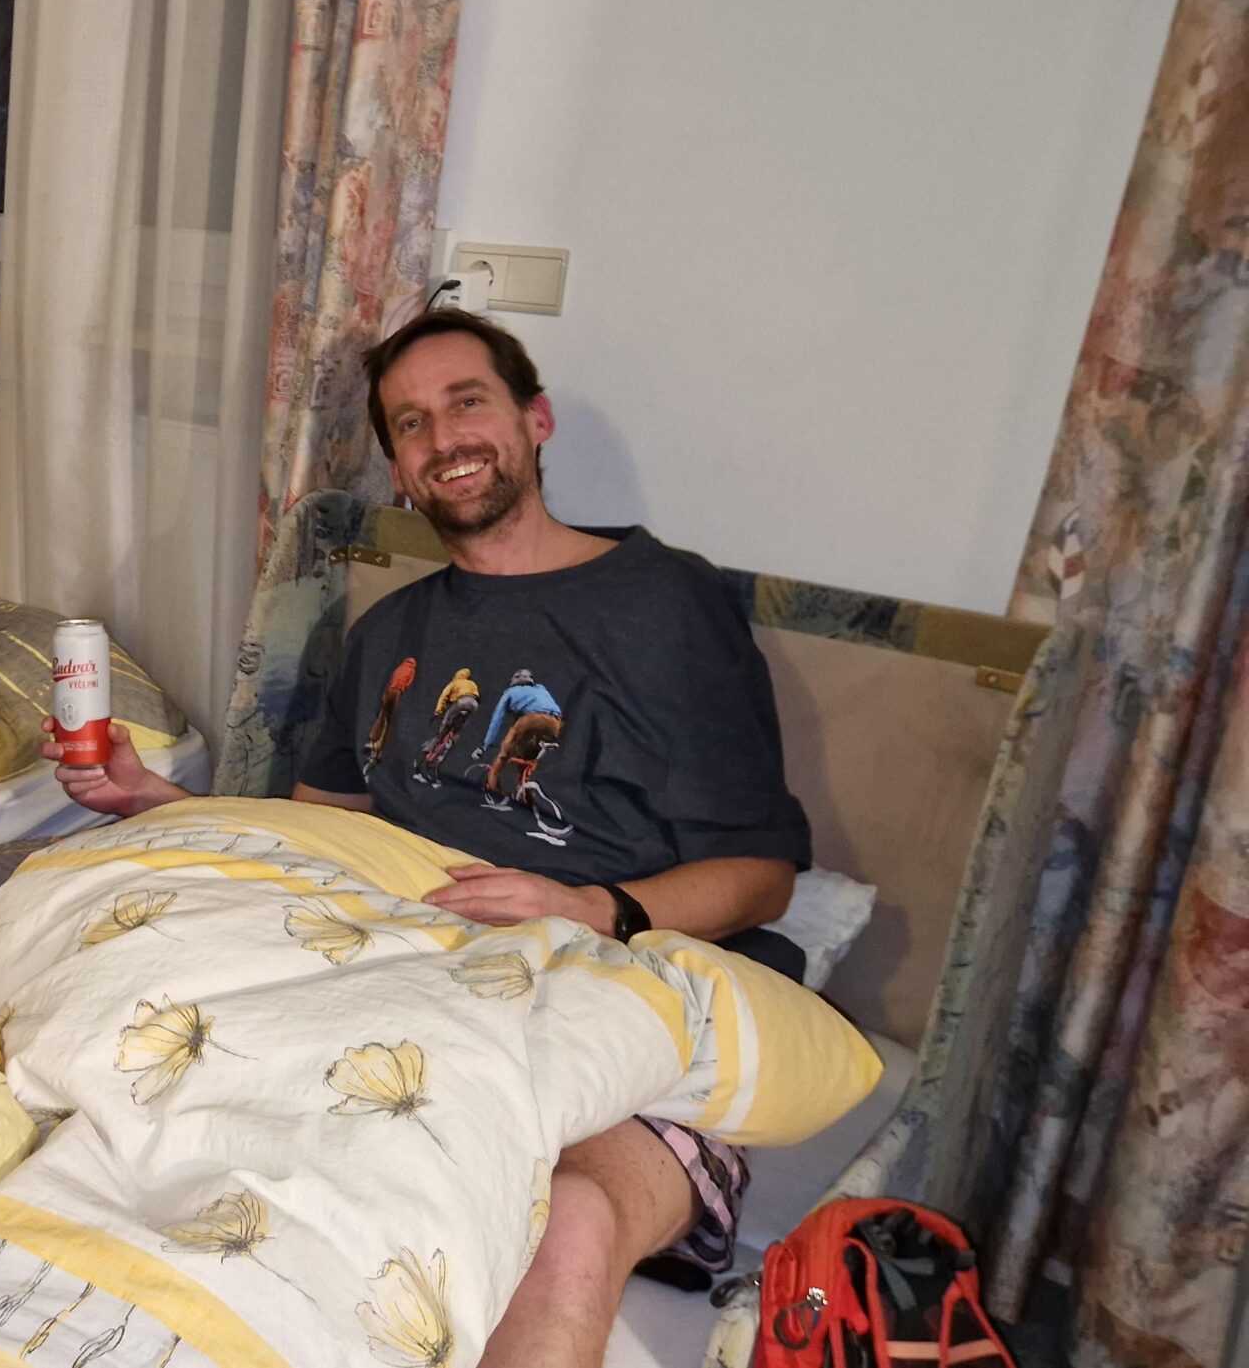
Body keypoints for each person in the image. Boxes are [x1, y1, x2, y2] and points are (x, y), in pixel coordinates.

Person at [43, 308, 813, 1368]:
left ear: (535, 419)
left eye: (467, 402)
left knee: (569, 1222)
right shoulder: (388, 636)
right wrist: (155, 802)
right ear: (400, 469)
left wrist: (591, 907)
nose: (444, 437)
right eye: (410, 423)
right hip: (404, 964)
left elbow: (762, 876)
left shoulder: (664, 605)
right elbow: (319, 842)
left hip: (605, 979)